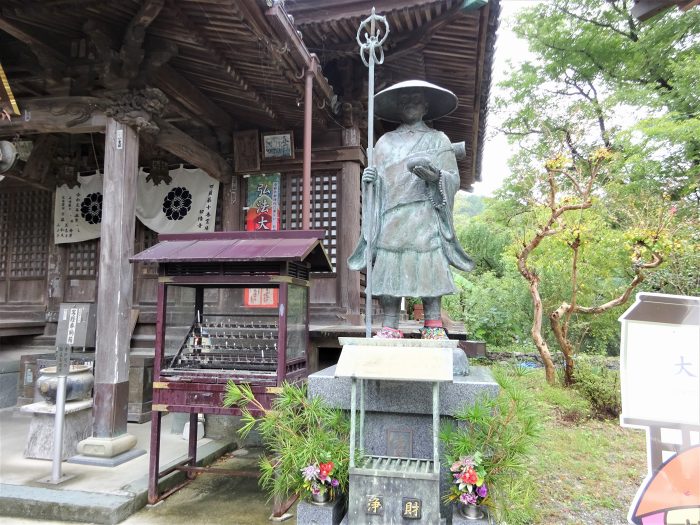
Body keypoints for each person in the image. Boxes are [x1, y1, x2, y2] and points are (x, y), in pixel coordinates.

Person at [348, 80, 474, 339]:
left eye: (415, 98)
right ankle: (390, 325)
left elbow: (452, 179)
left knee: (429, 265)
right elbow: (379, 181)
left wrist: (434, 176)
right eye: (404, 99)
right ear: (397, 106)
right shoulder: (384, 142)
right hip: (392, 215)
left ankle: (433, 323)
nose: (409, 103)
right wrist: (369, 179)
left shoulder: (439, 139)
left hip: (424, 214)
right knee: (390, 267)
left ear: (426, 105)